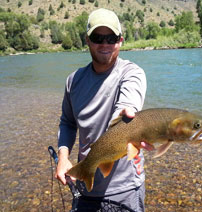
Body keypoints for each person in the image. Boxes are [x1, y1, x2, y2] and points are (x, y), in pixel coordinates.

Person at [55, 8, 150, 212]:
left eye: (111, 38)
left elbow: (128, 105)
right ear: (87, 40)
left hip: (125, 189)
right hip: (85, 182)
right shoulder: (73, 81)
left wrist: (125, 115)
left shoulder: (132, 73)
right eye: (98, 37)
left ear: (121, 40)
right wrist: (63, 158)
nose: (105, 44)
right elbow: (68, 122)